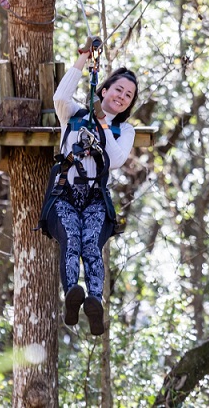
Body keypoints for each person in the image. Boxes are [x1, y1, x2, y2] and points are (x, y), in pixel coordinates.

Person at [44, 45, 138, 336]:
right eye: (118, 90)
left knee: (91, 249)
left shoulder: (125, 131)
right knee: (71, 241)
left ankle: (94, 301)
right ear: (104, 89)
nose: (121, 97)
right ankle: (72, 295)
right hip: (66, 193)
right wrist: (84, 57)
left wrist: (103, 124)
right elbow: (60, 96)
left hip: (96, 198)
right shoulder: (73, 114)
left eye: (127, 96)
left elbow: (118, 159)